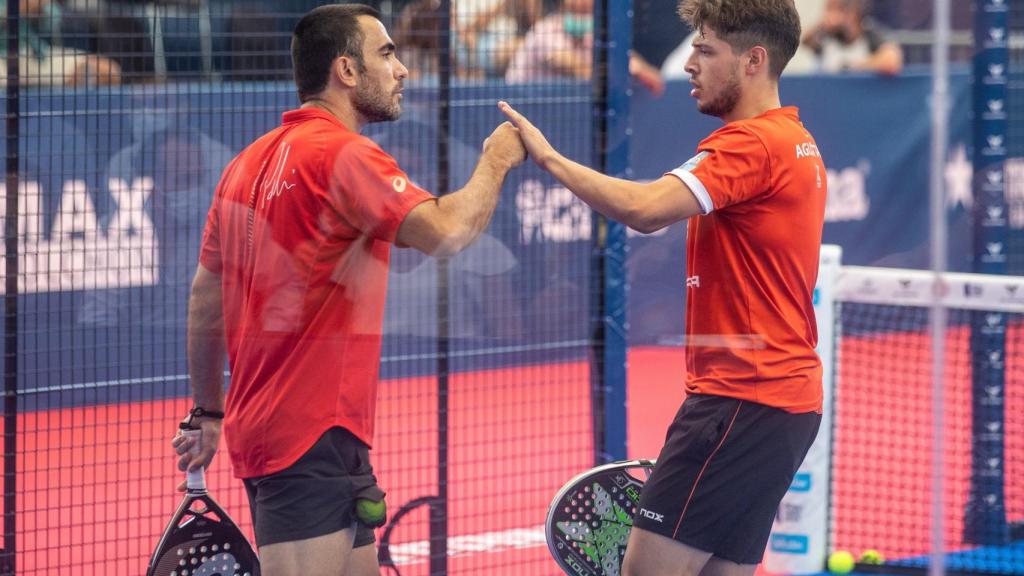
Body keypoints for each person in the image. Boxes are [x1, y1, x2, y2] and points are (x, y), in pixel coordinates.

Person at [171, 4, 525, 576]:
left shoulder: (242, 166)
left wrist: (210, 410)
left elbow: (203, 302)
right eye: (387, 54)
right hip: (307, 439)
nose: (402, 69)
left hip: (316, 437)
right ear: (347, 71)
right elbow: (447, 231)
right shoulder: (343, 153)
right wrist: (497, 160)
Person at [498, 0, 826, 573]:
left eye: (705, 51)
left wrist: (548, 158)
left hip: (737, 402)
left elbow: (646, 209)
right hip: (784, 409)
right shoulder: (795, 140)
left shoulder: (751, 144)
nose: (689, 64)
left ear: (753, 60)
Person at [505, 0, 665, 96]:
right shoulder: (546, 31)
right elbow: (577, 68)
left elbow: (653, 78)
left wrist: (636, 68)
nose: (585, 3)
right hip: (524, 110)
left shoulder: (595, 35)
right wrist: (621, 72)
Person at [801, 0, 903, 75]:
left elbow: (891, 60)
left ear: (854, 13)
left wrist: (852, 67)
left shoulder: (869, 34)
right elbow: (805, 42)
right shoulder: (827, 37)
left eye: (840, 10)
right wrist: (823, 23)